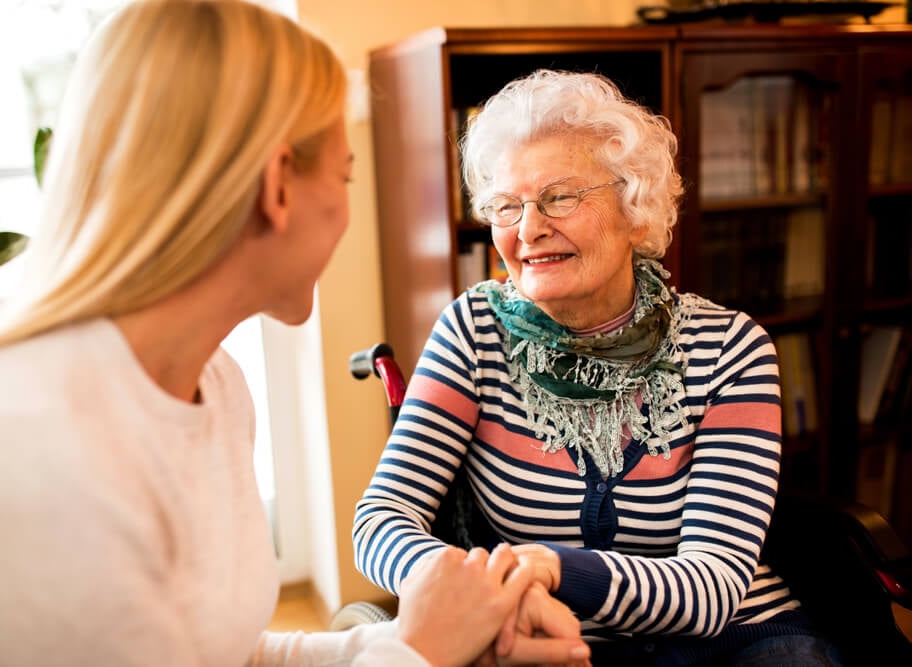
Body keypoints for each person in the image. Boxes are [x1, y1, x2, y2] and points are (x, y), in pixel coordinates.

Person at [0, 4, 592, 666]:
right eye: (345, 174)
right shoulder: (25, 441)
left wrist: (438, 632)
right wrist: (420, 650)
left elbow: (223, 652)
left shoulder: (214, 387)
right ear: (278, 187)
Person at [352, 69, 844, 666]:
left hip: (737, 642)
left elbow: (711, 590)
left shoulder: (730, 348)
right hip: (547, 640)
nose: (528, 229)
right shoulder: (474, 329)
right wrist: (475, 586)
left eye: (559, 197)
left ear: (635, 208)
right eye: (507, 206)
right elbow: (380, 519)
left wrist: (552, 568)